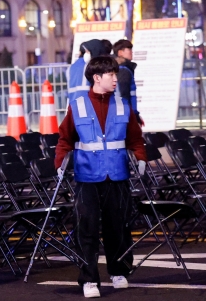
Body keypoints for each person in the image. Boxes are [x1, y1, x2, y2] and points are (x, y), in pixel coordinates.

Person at [55, 56, 146, 298]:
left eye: (116, 74)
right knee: (87, 229)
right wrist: (60, 163)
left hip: (117, 175)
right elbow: (65, 139)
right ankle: (89, 280)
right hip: (87, 177)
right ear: (97, 77)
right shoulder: (78, 106)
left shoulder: (123, 106)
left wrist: (141, 157)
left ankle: (119, 272)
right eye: (111, 74)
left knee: (119, 227)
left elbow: (135, 138)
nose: (116, 78)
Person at [112, 40, 142, 125]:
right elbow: (123, 94)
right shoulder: (123, 70)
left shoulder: (123, 69)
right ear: (120, 52)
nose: (131, 52)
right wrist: (131, 116)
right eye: (129, 49)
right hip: (127, 115)